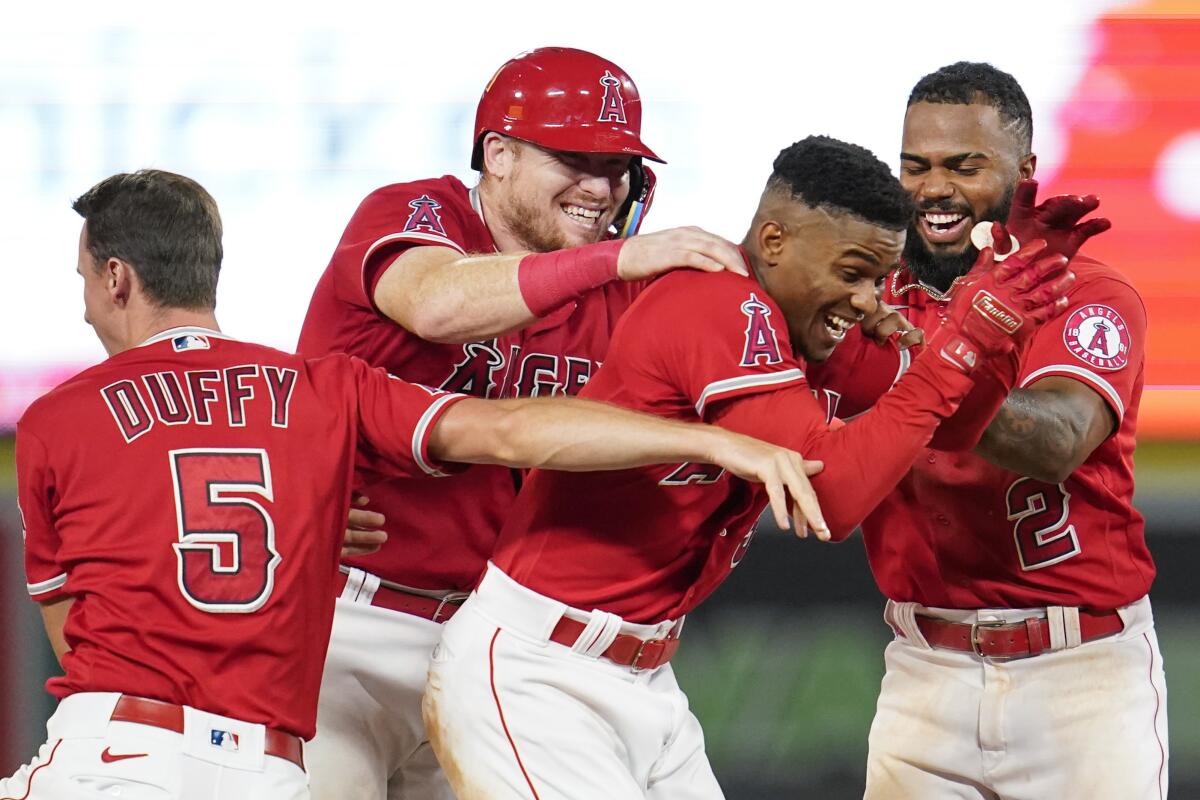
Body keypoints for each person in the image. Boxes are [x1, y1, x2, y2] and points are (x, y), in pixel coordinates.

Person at [3, 169, 828, 800]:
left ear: (116, 278)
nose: (82, 307)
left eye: (82, 282)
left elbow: (76, 630)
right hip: (265, 765)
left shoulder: (55, 418)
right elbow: (506, 426)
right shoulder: (320, 390)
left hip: (120, 754)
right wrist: (714, 442)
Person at [420, 135, 1078, 800]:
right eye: (850, 272)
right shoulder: (718, 302)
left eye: (878, 278)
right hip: (541, 674)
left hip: (644, 676)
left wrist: (1007, 308)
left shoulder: (823, 329)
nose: (865, 299)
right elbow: (832, 497)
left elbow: (960, 420)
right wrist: (959, 346)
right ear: (773, 242)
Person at [294, 46, 750, 800]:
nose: (601, 187)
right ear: (497, 155)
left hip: (497, 644)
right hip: (349, 622)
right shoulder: (417, 211)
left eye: (618, 165)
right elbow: (436, 303)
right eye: (574, 157)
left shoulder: (627, 291)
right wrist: (618, 260)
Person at [809, 62, 1166, 799]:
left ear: (1025, 169)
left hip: (1080, 676)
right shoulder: (868, 299)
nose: (933, 188)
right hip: (922, 668)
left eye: (963, 166)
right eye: (915, 166)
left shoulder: (1086, 294)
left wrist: (936, 364)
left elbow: (1056, 442)